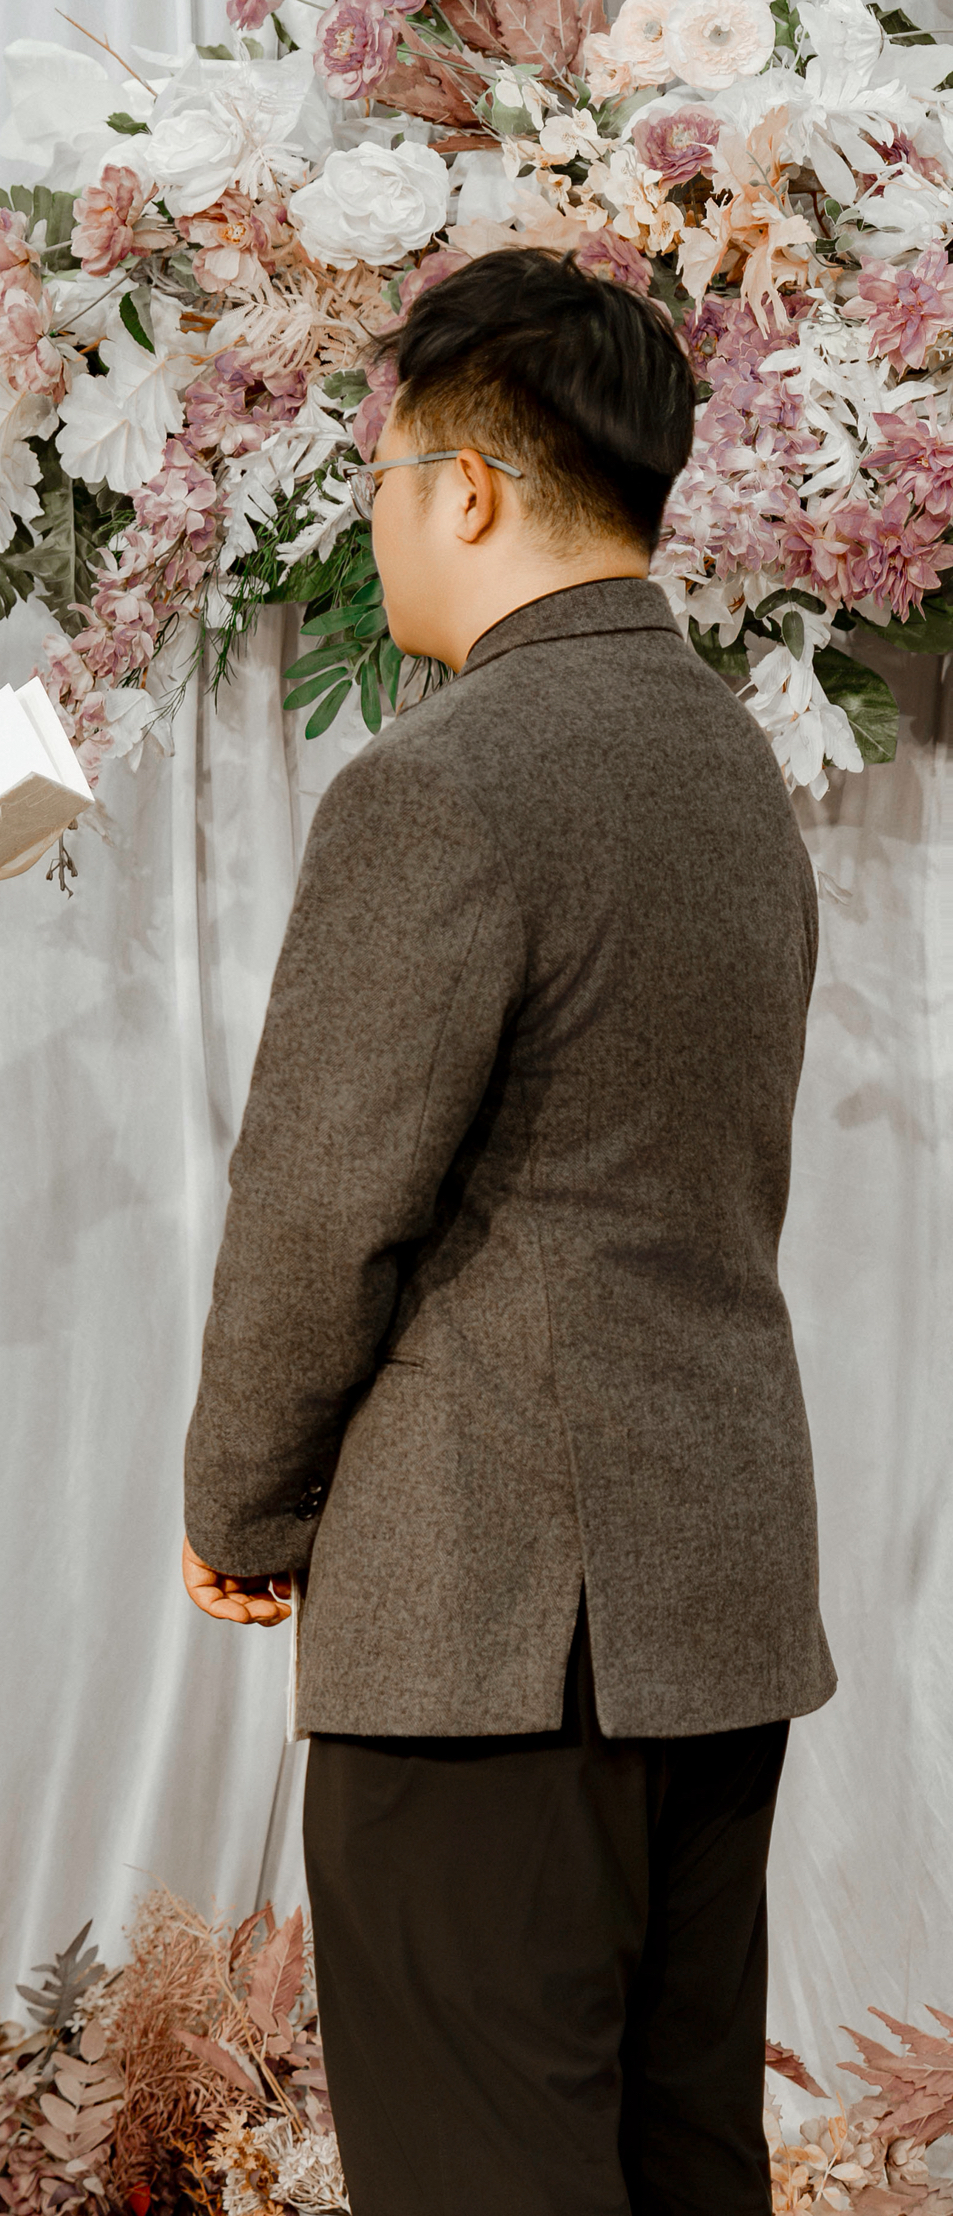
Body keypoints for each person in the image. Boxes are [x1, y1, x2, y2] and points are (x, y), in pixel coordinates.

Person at [180, 249, 834, 2216]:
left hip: (487, 1636)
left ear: (465, 488)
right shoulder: (735, 771)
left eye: (382, 476)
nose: (373, 519)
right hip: (712, 1609)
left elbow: (320, 1207)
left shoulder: (439, 783)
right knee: (681, 2164)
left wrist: (242, 1503)